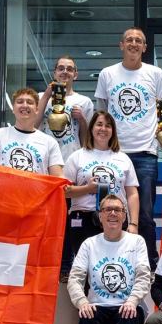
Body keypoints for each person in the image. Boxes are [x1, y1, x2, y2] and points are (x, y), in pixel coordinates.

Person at [95, 27, 162, 269]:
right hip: (114, 152)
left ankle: (148, 262)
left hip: (145, 152)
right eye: (129, 40)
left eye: (139, 41)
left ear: (145, 47)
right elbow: (102, 111)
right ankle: (109, 259)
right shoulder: (107, 74)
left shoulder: (156, 73)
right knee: (109, 209)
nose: (134, 44)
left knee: (145, 213)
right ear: (121, 45)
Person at [67, 194, 150, 324]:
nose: (113, 213)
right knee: (86, 317)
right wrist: (82, 302)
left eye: (118, 210)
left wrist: (132, 300)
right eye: (107, 210)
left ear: (124, 217)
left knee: (130, 315)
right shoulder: (89, 244)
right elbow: (74, 279)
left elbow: (143, 276)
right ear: (100, 216)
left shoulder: (136, 242)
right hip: (98, 308)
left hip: (127, 306)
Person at [35, 56, 96, 281]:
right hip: (44, 167)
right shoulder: (43, 97)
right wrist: (46, 97)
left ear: (76, 75)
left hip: (70, 165)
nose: (65, 72)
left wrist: (83, 121)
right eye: (61, 68)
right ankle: (44, 265)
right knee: (46, 220)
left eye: (70, 69)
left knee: (69, 222)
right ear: (54, 72)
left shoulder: (84, 102)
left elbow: (86, 139)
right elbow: (33, 125)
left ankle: (65, 267)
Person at [62, 110, 139, 263]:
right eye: (99, 124)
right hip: (83, 218)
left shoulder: (123, 158)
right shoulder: (77, 156)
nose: (103, 129)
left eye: (108, 126)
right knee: (86, 267)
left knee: (116, 263)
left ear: (113, 131)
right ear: (91, 128)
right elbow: (64, 191)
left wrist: (133, 223)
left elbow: (132, 193)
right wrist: (87, 189)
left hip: (115, 216)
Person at [0, 87, 64, 177]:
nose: (25, 105)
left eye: (30, 102)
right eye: (20, 102)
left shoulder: (49, 142)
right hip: (2, 200)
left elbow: (58, 179)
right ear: (13, 109)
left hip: (36, 201)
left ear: (37, 109)